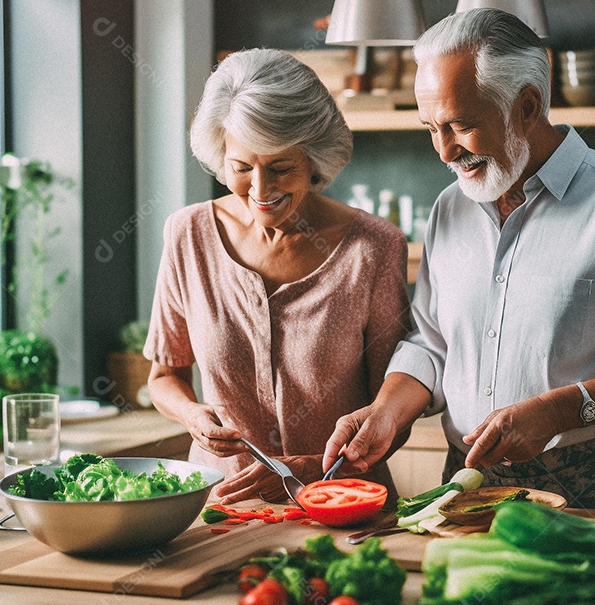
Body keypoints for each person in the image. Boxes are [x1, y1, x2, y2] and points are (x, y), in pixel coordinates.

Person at [324, 9, 595, 509]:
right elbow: (434, 343)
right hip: (469, 485)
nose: (444, 151)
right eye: (431, 128)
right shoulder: (449, 208)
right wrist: (385, 411)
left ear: (528, 106)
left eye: (461, 126)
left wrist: (557, 412)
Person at [145, 48, 410, 503]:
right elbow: (164, 376)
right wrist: (191, 415)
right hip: (224, 509)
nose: (260, 189)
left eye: (281, 168)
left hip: (343, 504)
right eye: (241, 168)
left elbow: (394, 412)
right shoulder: (188, 235)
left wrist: (315, 468)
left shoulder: (374, 248)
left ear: (314, 159)